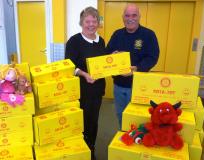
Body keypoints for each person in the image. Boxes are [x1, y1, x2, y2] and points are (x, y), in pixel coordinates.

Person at [106, 4, 160, 128]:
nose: (130, 18)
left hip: (139, 86)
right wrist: (111, 56)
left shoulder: (148, 35)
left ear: (139, 17)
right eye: (127, 15)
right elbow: (107, 53)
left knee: (138, 117)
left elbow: (153, 57)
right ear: (123, 18)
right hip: (118, 86)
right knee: (121, 115)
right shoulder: (117, 34)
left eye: (134, 15)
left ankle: (136, 140)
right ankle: (123, 137)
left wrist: (137, 68)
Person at [65, 6, 106, 160]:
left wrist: (113, 59)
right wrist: (84, 74)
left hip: (97, 90)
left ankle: (91, 151)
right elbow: (69, 65)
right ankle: (80, 152)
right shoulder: (74, 41)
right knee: (80, 122)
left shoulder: (101, 41)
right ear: (81, 22)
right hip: (81, 90)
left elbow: (103, 63)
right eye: (87, 21)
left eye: (94, 21)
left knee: (93, 122)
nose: (91, 24)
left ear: (98, 23)